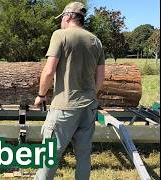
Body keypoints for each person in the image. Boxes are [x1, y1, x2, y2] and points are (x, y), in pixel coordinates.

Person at [33, 2, 105, 180]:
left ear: (68, 16)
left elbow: (49, 71)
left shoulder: (60, 35)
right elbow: (101, 77)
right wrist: (90, 95)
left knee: (50, 155)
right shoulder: (96, 41)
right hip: (88, 107)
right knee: (83, 156)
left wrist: (41, 95)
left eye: (61, 19)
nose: (60, 22)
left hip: (64, 107)